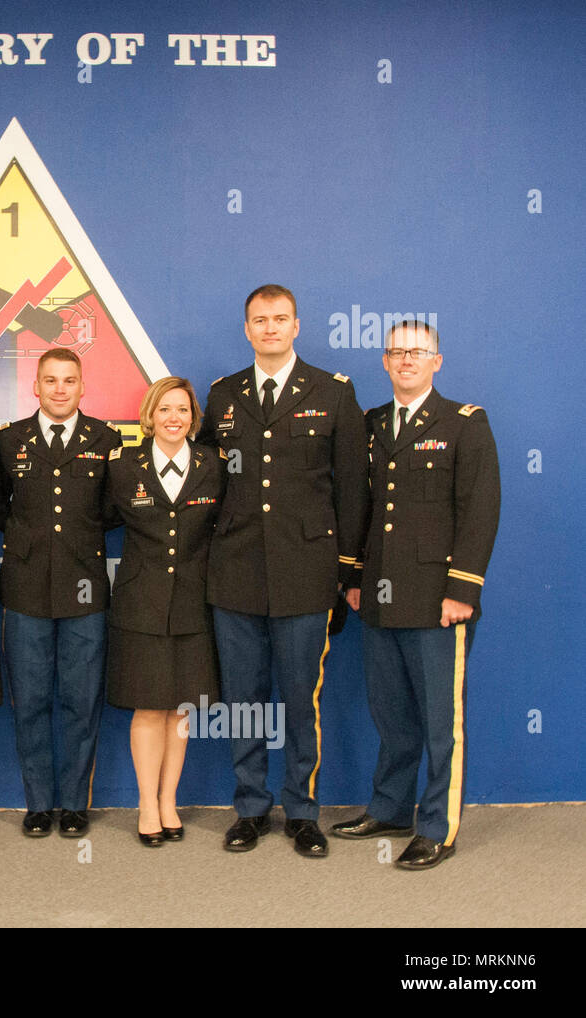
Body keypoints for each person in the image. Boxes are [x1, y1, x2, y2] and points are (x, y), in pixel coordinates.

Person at [197, 285, 369, 857]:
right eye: (259, 320)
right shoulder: (223, 395)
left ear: (297, 325)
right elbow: (204, 480)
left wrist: (347, 570)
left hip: (306, 571)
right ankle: (250, 808)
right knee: (243, 698)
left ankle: (302, 811)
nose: (269, 328)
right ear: (246, 329)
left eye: (280, 319)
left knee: (302, 698)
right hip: (236, 571)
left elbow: (352, 488)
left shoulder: (333, 392)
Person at [335, 320, 499, 869]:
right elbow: (362, 508)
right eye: (397, 352)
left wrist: (463, 590)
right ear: (384, 362)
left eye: (417, 352)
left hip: (437, 601)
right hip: (380, 597)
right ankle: (389, 808)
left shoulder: (464, 424)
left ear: (437, 360)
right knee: (392, 715)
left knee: (438, 722)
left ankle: (437, 826)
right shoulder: (374, 424)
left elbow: (479, 512)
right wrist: (355, 578)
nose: (406, 360)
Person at [0, 349, 121, 838]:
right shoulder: (9, 440)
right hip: (24, 588)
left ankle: (74, 804)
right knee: (32, 700)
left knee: (82, 702)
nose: (60, 389)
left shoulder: (105, 439)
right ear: (35, 387)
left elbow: (114, 507)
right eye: (50, 380)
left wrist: (77, 536)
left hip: (84, 590)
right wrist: (28, 535)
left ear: (83, 387)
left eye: (69, 380)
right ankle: (39, 803)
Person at [105, 377, 224, 845]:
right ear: (149, 416)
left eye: (183, 410)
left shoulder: (214, 466)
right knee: (148, 708)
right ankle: (146, 804)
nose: (174, 418)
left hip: (195, 600)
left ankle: (169, 799)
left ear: (194, 418)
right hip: (140, 601)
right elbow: (97, 520)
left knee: (181, 709)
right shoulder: (122, 466)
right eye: (164, 409)